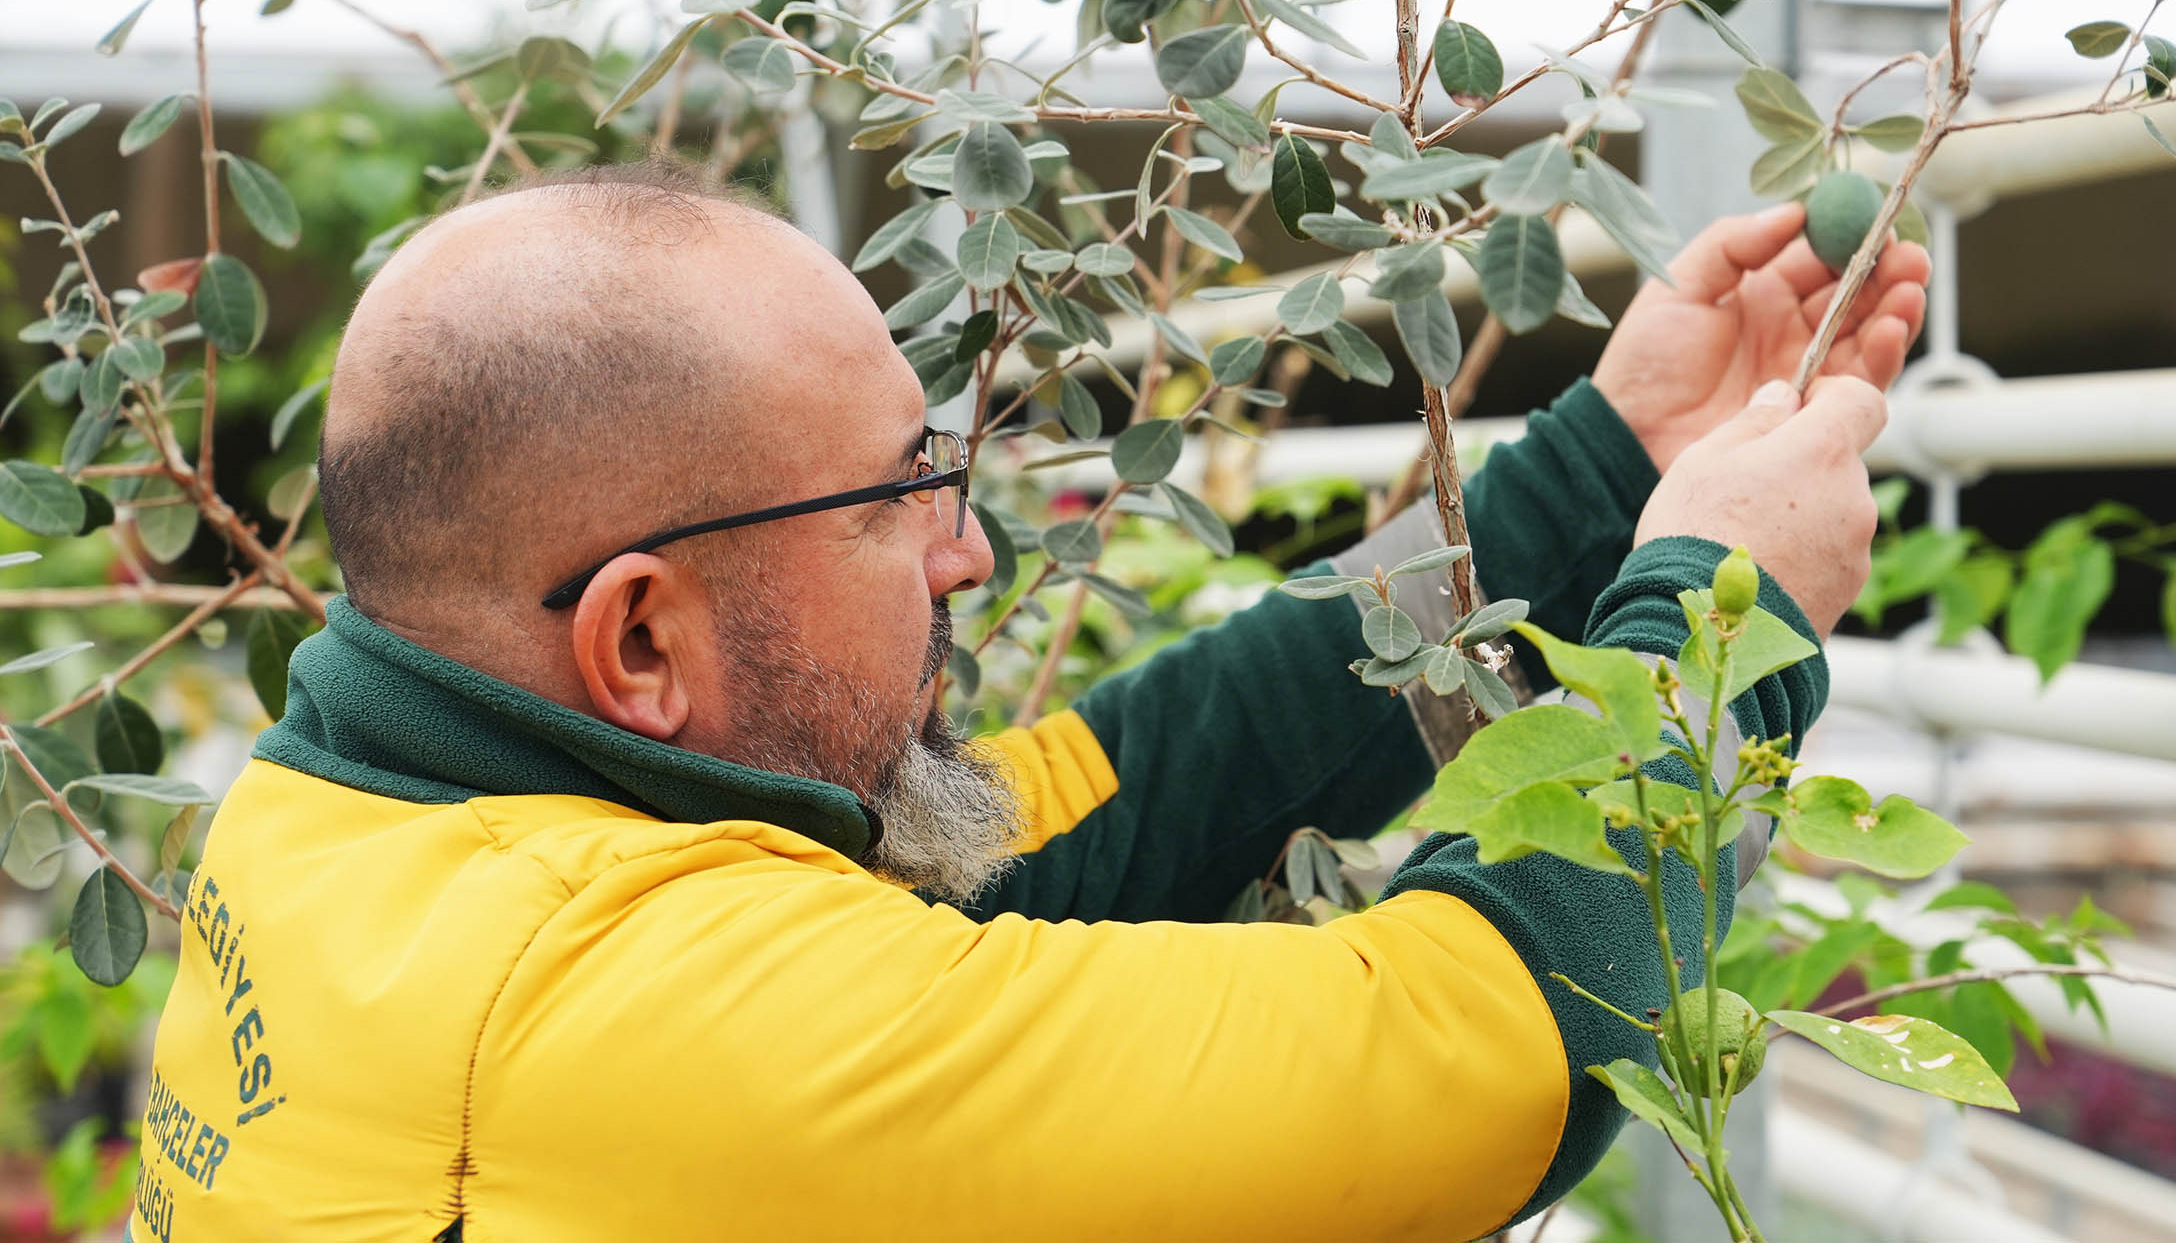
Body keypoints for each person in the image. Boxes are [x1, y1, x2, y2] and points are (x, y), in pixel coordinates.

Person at [137, 162, 1925, 1242]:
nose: (965, 548)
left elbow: (1111, 798)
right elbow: (1479, 1064)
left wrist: (1607, 466)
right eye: (888, 494)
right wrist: (1725, 619)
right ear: (641, 645)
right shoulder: (633, 1032)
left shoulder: (355, 826)